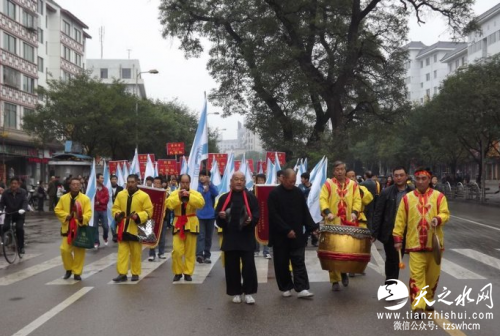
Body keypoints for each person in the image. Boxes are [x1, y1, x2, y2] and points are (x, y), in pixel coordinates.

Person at [393, 167, 450, 318]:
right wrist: (397, 238)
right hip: (415, 244)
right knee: (417, 276)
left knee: (432, 276)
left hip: (434, 245)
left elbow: (445, 214)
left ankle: (429, 299)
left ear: (429, 180)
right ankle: (418, 306)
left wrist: (438, 219)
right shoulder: (407, 198)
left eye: (424, 179)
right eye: (418, 179)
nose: (420, 181)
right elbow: (400, 220)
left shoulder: (439, 197)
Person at [268, 169, 318, 298]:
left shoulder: (298, 193)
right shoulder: (274, 194)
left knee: (298, 261)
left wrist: (312, 227)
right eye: (290, 181)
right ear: (282, 179)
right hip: (280, 236)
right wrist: (286, 230)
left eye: (294, 181)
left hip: (297, 234)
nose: (292, 184)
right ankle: (286, 287)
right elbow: (274, 216)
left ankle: (301, 288)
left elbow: (304, 212)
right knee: (281, 263)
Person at [216, 171, 260, 304]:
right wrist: (221, 217)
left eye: (241, 179)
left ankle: (248, 293)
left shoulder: (251, 197)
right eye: (236, 179)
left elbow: (256, 215)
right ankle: (235, 292)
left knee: (249, 267)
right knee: (231, 267)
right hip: (230, 238)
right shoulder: (224, 199)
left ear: (245, 182)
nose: (239, 182)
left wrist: (250, 222)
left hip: (246, 238)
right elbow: (218, 219)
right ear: (231, 182)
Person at [319, 161, 361, 291]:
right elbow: (322, 199)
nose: (340, 171)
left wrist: (354, 212)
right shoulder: (328, 184)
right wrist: (327, 212)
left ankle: (344, 272)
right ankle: (334, 280)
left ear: (345, 170)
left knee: (346, 250)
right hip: (333, 223)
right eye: (337, 169)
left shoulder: (353, 185)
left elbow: (357, 200)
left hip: (348, 223)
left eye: (342, 169)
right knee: (332, 252)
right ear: (334, 171)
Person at [371, 166, 413, 284]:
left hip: (407, 232)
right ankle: (391, 284)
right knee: (392, 259)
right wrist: (374, 232)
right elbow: (378, 213)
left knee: (398, 258)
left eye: (401, 175)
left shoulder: (413, 192)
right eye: (396, 175)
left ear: (406, 176)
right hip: (390, 232)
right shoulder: (386, 192)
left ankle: (391, 282)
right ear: (393, 177)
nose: (399, 178)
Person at [112, 174, 153, 282]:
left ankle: (135, 273)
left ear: (137, 182)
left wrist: (138, 216)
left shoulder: (144, 196)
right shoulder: (121, 194)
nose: (130, 184)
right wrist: (117, 214)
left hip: (136, 228)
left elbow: (149, 212)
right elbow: (115, 207)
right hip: (123, 228)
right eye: (128, 182)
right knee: (122, 253)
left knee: (136, 253)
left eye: (132, 182)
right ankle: (122, 273)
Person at [166, 174, 205, 282]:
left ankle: (188, 272)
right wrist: (178, 197)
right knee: (177, 250)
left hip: (191, 223)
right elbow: (168, 205)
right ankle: (177, 272)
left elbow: (201, 204)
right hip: (178, 223)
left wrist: (189, 197)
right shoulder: (174, 193)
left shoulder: (195, 193)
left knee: (190, 250)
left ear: (190, 183)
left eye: (187, 182)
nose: (185, 184)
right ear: (179, 182)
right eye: (183, 182)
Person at [54, 178, 92, 281]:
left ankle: (77, 272)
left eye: (77, 184)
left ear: (80, 186)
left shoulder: (85, 199)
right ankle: (69, 269)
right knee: (64, 250)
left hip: (80, 227)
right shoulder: (63, 198)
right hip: (67, 228)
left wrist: (82, 218)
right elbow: (57, 210)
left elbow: (88, 213)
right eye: (73, 184)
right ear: (70, 186)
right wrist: (67, 216)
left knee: (79, 251)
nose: (75, 186)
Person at [0, 177, 28, 254]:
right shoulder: (5, 193)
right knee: (5, 227)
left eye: (15, 183)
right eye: (12, 183)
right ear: (10, 184)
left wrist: (23, 209)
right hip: (9, 214)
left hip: (19, 214)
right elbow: (2, 203)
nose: (13, 185)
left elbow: (25, 202)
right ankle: (7, 239)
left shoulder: (23, 192)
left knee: (19, 228)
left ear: (18, 184)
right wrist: (1, 210)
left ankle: (21, 247)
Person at [196, 170, 219, 264]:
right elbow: (196, 197)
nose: (202, 177)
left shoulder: (212, 186)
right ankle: (199, 254)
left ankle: (207, 255)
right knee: (201, 236)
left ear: (208, 177)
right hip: (200, 215)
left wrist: (210, 185)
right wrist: (203, 192)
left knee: (208, 237)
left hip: (210, 215)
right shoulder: (197, 186)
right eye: (200, 176)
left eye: (204, 176)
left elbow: (216, 193)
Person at [148, 176, 169, 261]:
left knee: (162, 237)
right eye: (155, 183)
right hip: (151, 218)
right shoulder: (149, 193)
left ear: (161, 184)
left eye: (158, 183)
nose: (156, 185)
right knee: (151, 236)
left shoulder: (165, 193)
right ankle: (152, 254)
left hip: (162, 219)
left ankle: (161, 253)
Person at [298, 172, 317, 247]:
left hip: (312, 209)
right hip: (304, 208)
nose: (301, 180)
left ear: (306, 179)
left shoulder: (313, 186)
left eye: (302, 178)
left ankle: (314, 241)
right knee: (305, 225)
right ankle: (304, 241)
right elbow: (301, 193)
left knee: (314, 224)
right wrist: (308, 190)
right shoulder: (300, 186)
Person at [94, 173, 110, 249]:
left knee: (105, 226)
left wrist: (99, 202)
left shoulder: (105, 189)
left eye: (103, 178)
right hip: (95, 210)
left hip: (103, 209)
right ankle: (96, 241)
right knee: (95, 227)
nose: (102, 179)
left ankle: (105, 237)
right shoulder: (93, 189)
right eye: (101, 178)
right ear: (97, 179)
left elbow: (107, 199)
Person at [109, 174, 124, 243]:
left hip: (118, 207)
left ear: (117, 180)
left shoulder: (121, 188)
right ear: (110, 180)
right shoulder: (108, 188)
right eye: (113, 179)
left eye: (115, 179)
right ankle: (114, 235)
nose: (114, 180)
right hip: (110, 207)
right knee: (111, 222)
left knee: (117, 222)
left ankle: (118, 234)